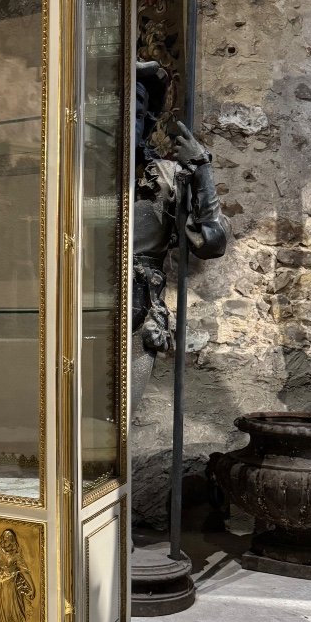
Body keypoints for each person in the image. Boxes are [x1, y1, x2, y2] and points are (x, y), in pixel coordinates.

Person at [132, 61, 228, 411]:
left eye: (139, 111)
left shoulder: (167, 177)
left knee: (113, 431)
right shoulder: (68, 173)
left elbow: (212, 242)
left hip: (135, 317)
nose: (130, 120)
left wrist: (201, 170)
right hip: (67, 308)